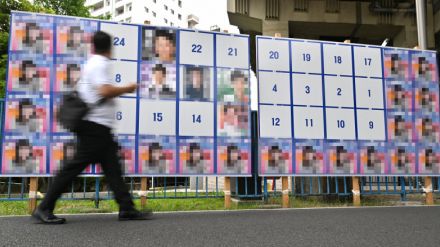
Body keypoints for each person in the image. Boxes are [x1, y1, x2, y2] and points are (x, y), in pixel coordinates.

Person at [32, 31, 151, 224]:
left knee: (112, 167)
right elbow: (105, 91)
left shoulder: (94, 63)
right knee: (73, 168)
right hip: (94, 126)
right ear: (109, 47)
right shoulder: (99, 63)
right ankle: (44, 207)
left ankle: (127, 208)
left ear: (94, 46)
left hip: (98, 127)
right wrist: (128, 88)